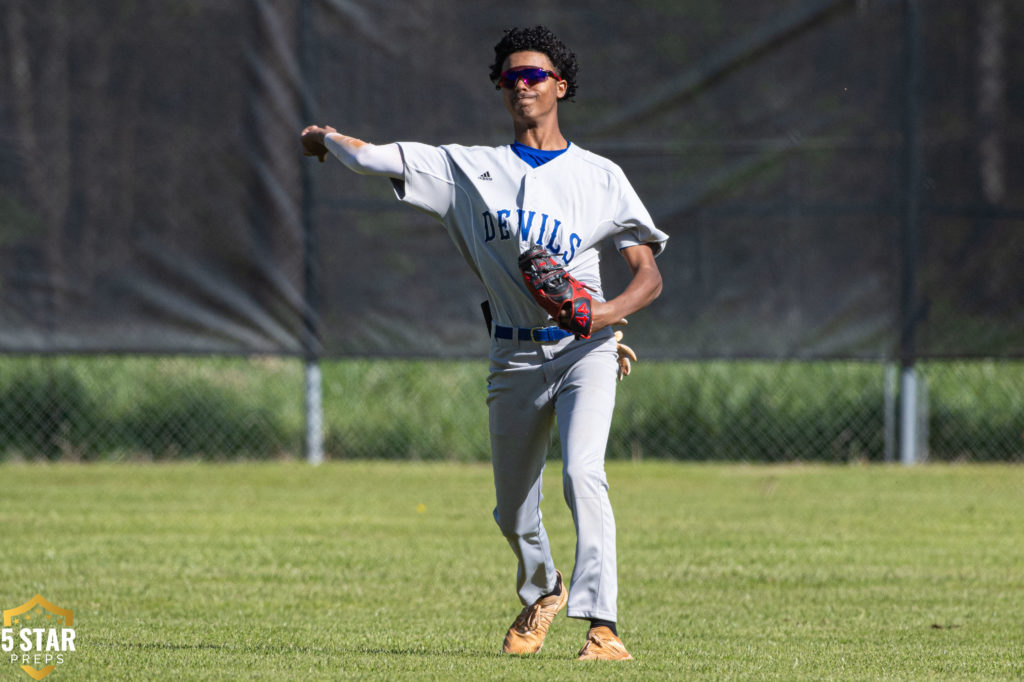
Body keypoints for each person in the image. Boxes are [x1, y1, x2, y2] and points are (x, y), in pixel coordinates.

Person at [300, 25, 667, 661]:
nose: (522, 85)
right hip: (513, 354)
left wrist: (602, 315)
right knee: (512, 512)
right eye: (510, 77)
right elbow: (372, 155)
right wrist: (326, 140)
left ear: (561, 85)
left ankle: (603, 629)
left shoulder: (600, 176)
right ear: (500, 89)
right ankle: (543, 588)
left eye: (534, 75)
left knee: (584, 474)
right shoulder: (465, 169)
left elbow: (649, 274)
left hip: (585, 352)